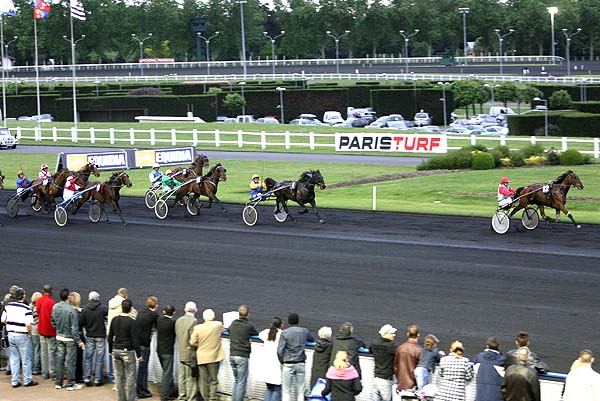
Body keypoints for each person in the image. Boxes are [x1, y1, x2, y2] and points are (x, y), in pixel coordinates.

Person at [0, 287, 38, 388]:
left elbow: (3, 320)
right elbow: (28, 324)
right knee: (26, 359)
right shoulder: (26, 308)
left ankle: (15, 380)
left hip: (11, 334)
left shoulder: (8, 306)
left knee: (14, 358)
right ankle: (27, 380)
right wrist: (29, 334)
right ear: (23, 296)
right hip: (22, 335)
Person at [51, 288, 84, 391]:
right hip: (69, 340)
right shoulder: (71, 311)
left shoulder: (55, 307)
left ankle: (58, 383)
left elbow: (52, 321)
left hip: (59, 337)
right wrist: (79, 342)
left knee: (59, 361)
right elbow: (74, 329)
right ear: (68, 297)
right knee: (70, 362)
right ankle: (70, 384)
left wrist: (58, 330)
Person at [108, 299, 142, 401]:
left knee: (119, 376)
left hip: (116, 349)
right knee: (130, 376)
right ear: (131, 309)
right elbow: (135, 339)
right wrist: (139, 355)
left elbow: (110, 336)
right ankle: (131, 398)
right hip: (127, 351)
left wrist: (110, 349)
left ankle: (121, 398)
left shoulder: (114, 320)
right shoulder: (132, 322)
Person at [277, 313, 314, 401]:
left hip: (288, 363)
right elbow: (311, 339)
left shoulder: (285, 332)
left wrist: (282, 361)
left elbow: (279, 350)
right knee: (301, 390)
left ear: (289, 322)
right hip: (300, 362)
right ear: (298, 321)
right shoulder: (304, 331)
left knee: (286, 391)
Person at [190, 308, 225, 401]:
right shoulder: (218, 325)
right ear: (213, 316)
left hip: (201, 357)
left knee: (203, 381)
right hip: (214, 357)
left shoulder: (197, 328)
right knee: (214, 380)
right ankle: (212, 398)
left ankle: (205, 398)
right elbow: (225, 328)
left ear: (203, 317)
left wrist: (199, 345)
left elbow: (192, 342)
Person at [229, 304, 259, 401]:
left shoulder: (233, 323)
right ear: (248, 315)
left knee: (237, 381)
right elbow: (256, 333)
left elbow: (228, 330)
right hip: (242, 356)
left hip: (232, 354)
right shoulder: (248, 326)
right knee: (241, 382)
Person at [79, 291, 108, 387]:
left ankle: (87, 377)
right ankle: (98, 379)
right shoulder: (103, 308)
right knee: (99, 358)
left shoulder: (85, 309)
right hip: (100, 335)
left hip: (90, 335)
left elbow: (80, 322)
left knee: (88, 358)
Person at [135, 296, 159, 399]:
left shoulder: (140, 312)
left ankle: (141, 389)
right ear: (156, 306)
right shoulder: (154, 315)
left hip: (137, 343)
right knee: (143, 368)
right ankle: (141, 391)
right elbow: (158, 326)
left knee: (141, 367)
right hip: (145, 344)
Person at [175, 301, 198, 401]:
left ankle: (181, 396)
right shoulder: (194, 321)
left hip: (181, 351)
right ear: (195, 310)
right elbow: (193, 340)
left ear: (185, 309)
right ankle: (191, 397)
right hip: (190, 353)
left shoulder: (179, 320)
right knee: (190, 377)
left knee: (181, 376)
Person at [257, 317, 284, 401]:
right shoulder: (282, 334)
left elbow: (260, 334)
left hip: (267, 364)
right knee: (277, 389)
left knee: (269, 389)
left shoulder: (266, 332)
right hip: (276, 364)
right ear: (280, 325)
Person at [368, 324, 398, 401]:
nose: (394, 335)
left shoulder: (374, 344)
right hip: (386, 379)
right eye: (392, 333)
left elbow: (370, 350)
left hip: (376, 378)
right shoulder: (391, 346)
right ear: (386, 334)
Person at [473, 337, 506, 401]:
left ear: (487, 346)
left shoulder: (478, 358)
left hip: (480, 396)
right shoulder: (502, 360)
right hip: (497, 397)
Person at [156, 304, 177, 401]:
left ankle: (171, 391)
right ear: (174, 313)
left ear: (164, 311)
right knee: (167, 373)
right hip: (168, 351)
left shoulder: (159, 320)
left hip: (159, 350)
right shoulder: (173, 323)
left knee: (166, 372)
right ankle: (164, 396)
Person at [36, 284, 57, 380]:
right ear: (51, 290)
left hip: (41, 329)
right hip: (50, 330)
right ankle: (52, 372)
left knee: (43, 351)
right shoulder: (52, 302)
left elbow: (38, 311)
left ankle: (45, 373)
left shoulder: (39, 300)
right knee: (51, 352)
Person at [394, 324, 422, 391]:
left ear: (407, 334)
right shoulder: (419, 350)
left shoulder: (400, 348)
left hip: (401, 384)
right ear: (418, 334)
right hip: (413, 386)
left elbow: (395, 366)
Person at [68, 291, 85, 384]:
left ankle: (73, 377)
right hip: (78, 337)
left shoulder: (68, 311)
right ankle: (77, 377)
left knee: (71, 359)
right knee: (79, 359)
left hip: (69, 337)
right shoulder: (80, 313)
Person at [30, 291, 43, 376]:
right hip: (37, 330)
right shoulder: (38, 308)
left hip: (31, 330)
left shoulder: (29, 306)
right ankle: (36, 368)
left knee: (33, 350)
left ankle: (33, 367)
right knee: (38, 350)